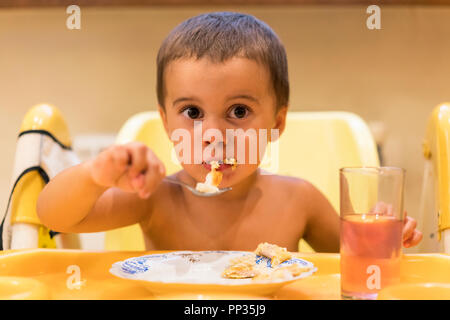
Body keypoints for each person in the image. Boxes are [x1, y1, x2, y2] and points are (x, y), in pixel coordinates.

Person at [37, 12, 422, 252]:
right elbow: (55, 216)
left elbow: (355, 264)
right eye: (192, 112)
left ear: (276, 124)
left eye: (238, 111)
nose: (213, 134)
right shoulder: (153, 199)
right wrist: (94, 175)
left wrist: (382, 234)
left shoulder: (299, 200)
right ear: (166, 122)